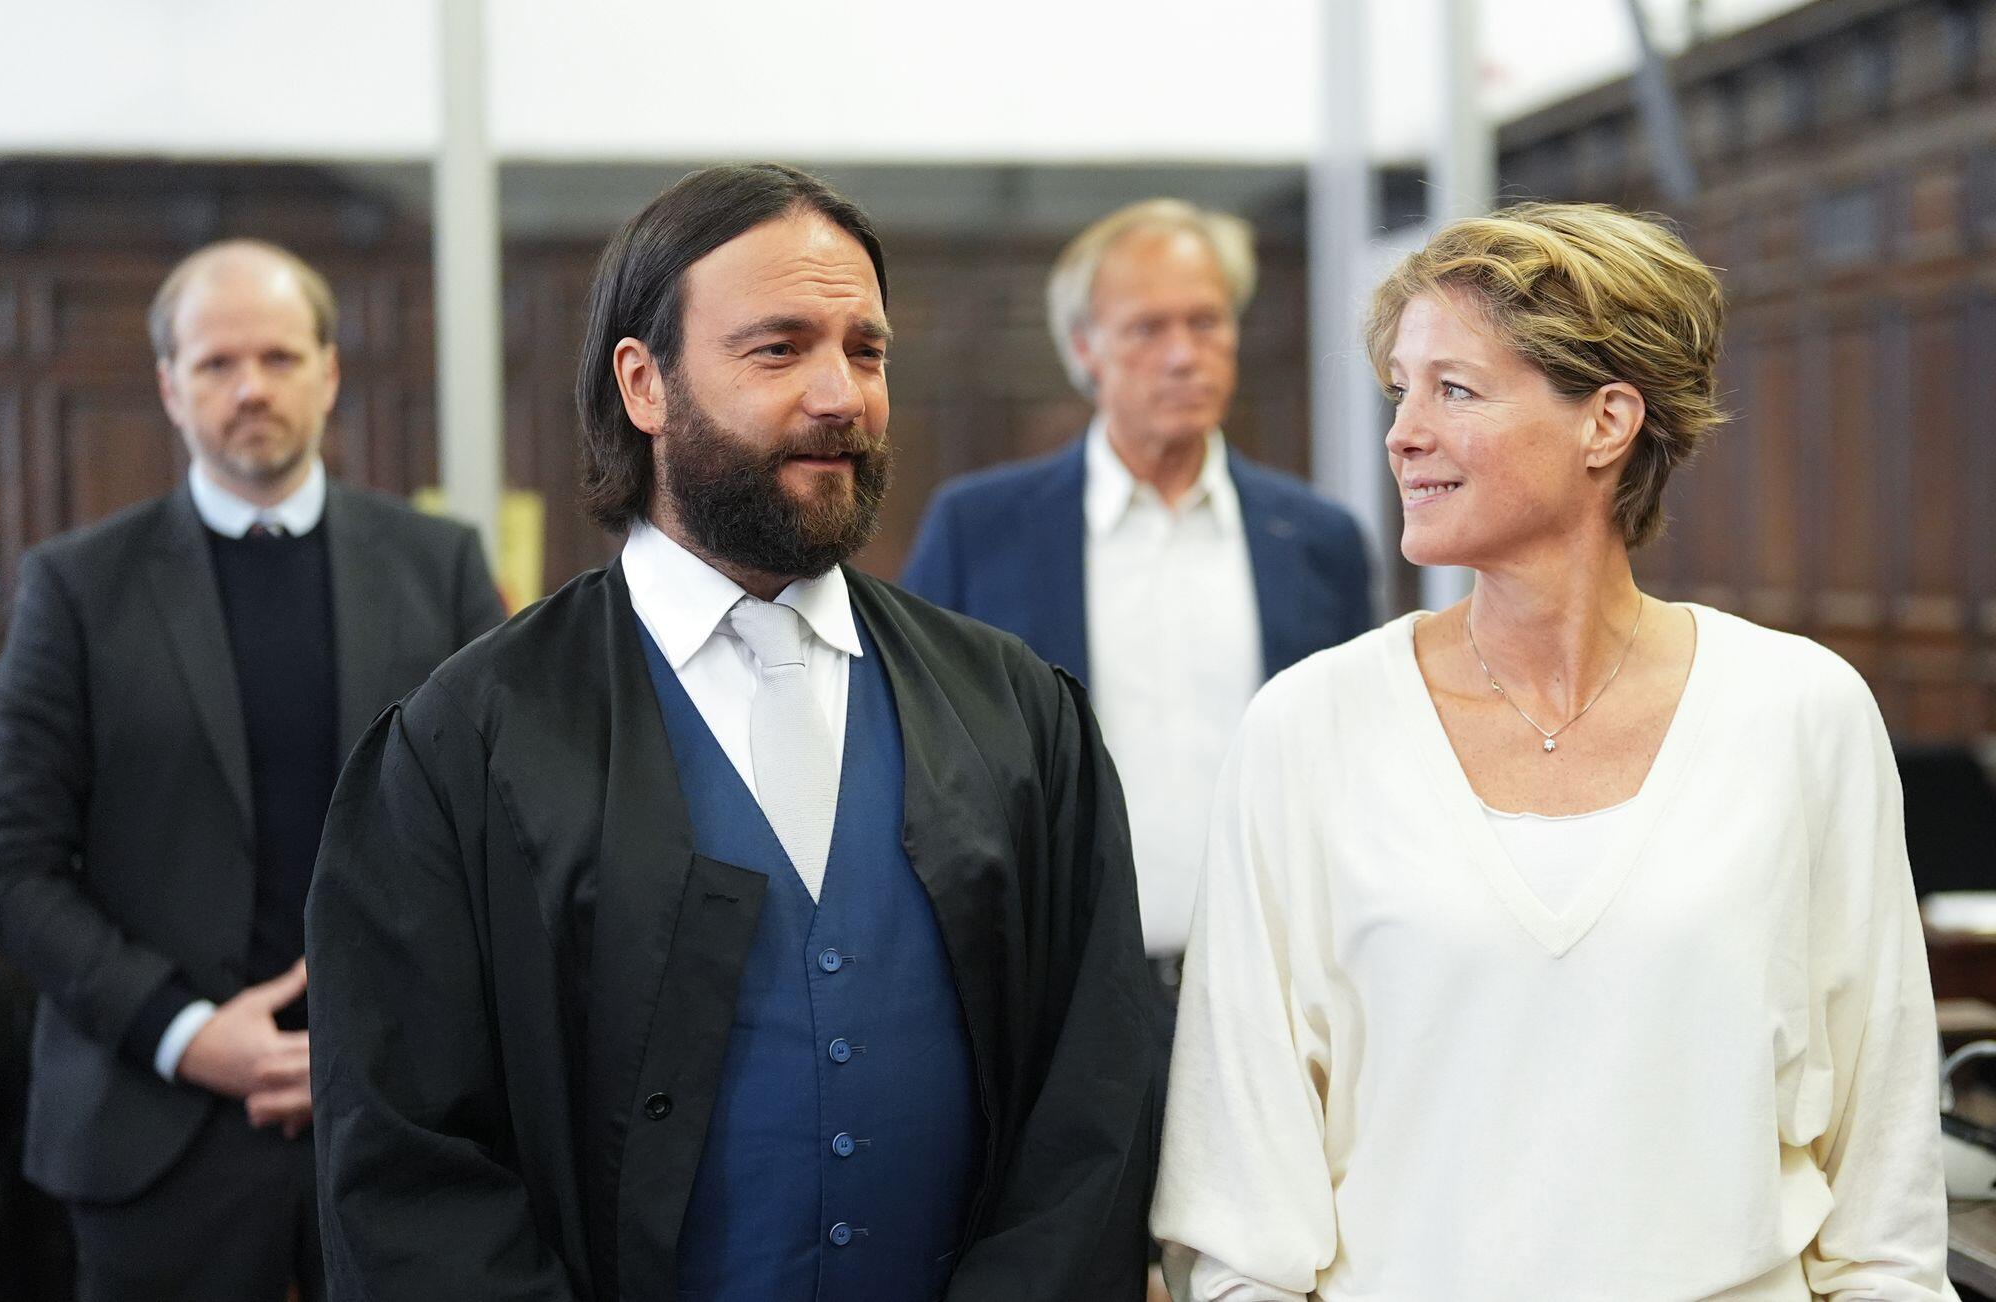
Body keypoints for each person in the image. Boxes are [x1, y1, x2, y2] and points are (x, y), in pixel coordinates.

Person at [304, 163, 1157, 1302]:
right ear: (644, 384)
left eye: (865, 351)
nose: (840, 395)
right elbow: (410, 1166)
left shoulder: (1012, 714)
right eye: (779, 349)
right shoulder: (469, 745)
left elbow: (1093, 1105)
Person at [1151, 203, 1956, 1299]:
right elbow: (1240, 1212)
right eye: (1400, 390)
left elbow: (1883, 1193)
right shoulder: (1306, 729)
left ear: (1606, 422)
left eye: (1454, 390)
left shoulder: (1800, 713)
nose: (1402, 434)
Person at [0, 239, 504, 1300]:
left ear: (328, 373)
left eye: (278, 357)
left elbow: (498, 839)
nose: (250, 387)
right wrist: (185, 1034)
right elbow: (9, 869)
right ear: (170, 387)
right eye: (216, 363)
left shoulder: (437, 568)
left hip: (401, 1116)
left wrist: (370, 1042)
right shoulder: (77, 589)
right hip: (156, 1124)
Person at [901, 198, 1370, 1006]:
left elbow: (1356, 766)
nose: (1184, 355)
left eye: (1206, 322)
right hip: (1060, 992)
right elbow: (922, 758)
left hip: (1274, 989)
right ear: (1085, 348)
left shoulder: (1318, 539)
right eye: (1148, 329)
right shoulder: (980, 531)